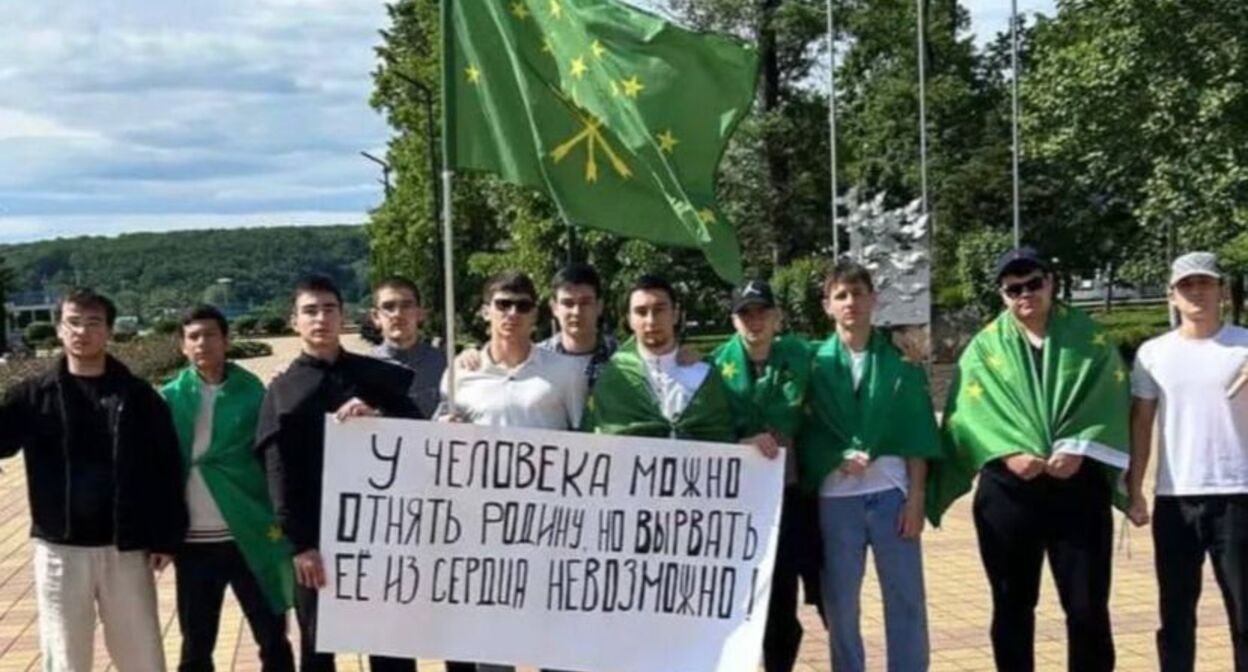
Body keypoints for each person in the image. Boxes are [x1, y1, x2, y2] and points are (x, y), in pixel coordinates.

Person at [928, 247, 1130, 672]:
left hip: (1077, 488)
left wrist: (1079, 445)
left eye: (1033, 283)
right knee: (1012, 604)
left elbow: (1109, 397)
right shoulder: (984, 349)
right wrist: (1007, 451)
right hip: (1009, 492)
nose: (1025, 294)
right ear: (1002, 295)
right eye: (1013, 289)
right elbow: (967, 415)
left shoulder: (1088, 338)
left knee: (1087, 606)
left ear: (1051, 283)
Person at [0, 288, 187, 671]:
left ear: (109, 331)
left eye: (93, 323)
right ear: (58, 329)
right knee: (65, 657)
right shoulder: (33, 395)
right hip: (60, 549)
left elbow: (166, 468)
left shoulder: (138, 396)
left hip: (126, 547)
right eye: (72, 322)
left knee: (142, 656)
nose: (81, 331)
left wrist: (165, 536)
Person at [255, 275, 420, 672]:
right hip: (316, 543)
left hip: (381, 538)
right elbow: (278, 473)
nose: (321, 319)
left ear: (343, 316)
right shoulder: (283, 390)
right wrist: (300, 545)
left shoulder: (378, 377)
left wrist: (379, 416)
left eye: (329, 309)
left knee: (391, 645)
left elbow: (420, 439)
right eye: (310, 311)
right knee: (318, 649)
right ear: (294, 321)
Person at [798, 262, 941, 672]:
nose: (851, 303)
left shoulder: (900, 361)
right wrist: (835, 456)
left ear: (873, 299)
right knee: (841, 604)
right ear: (827, 305)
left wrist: (916, 497)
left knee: (906, 598)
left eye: (858, 293)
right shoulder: (813, 362)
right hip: (836, 500)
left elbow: (916, 430)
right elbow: (805, 428)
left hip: (892, 495)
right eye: (841, 295)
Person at [1127, 252, 1248, 671]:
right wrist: (1134, 489)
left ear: (1222, 291)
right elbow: (1141, 424)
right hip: (1176, 499)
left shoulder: (1244, 345)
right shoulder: (1153, 353)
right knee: (1176, 616)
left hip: (1238, 495)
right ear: (1172, 296)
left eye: (1205, 283)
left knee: (1245, 615)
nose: (1196, 292)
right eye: (1187, 285)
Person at [161, 305, 295, 672]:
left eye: (211, 335)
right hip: (194, 541)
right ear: (182, 345)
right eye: (193, 337)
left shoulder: (254, 394)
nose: (202, 343)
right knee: (196, 643)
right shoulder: (168, 399)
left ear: (226, 340)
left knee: (272, 636)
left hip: (249, 532)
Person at [711, 279, 822, 672]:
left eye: (762, 312)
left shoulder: (803, 356)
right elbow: (704, 431)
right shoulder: (712, 369)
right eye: (745, 314)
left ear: (776, 316)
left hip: (790, 499)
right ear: (733, 321)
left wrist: (897, 340)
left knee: (782, 604)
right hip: (738, 508)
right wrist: (741, 442)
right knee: (737, 604)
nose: (754, 321)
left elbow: (848, 346)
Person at [583, 274, 748, 446]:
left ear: (675, 314)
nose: (651, 320)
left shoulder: (706, 374)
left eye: (659, 310)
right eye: (641, 312)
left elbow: (727, 431)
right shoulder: (614, 377)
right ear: (629, 320)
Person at [440, 271, 587, 429]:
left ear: (534, 314)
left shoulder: (568, 371)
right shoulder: (459, 372)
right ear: (485, 312)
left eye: (523, 306)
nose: (513, 313)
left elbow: (583, 433)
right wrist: (444, 427)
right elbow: (440, 428)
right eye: (503, 304)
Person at [369, 276, 446, 418]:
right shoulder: (361, 371)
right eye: (388, 307)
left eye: (406, 305)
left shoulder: (446, 365)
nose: (397, 314)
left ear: (420, 313)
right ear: (376, 317)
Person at [537, 264, 617, 387]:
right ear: (554, 308)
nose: (577, 312)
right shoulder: (537, 360)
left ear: (599, 306)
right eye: (568, 303)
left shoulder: (621, 358)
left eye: (585, 303)